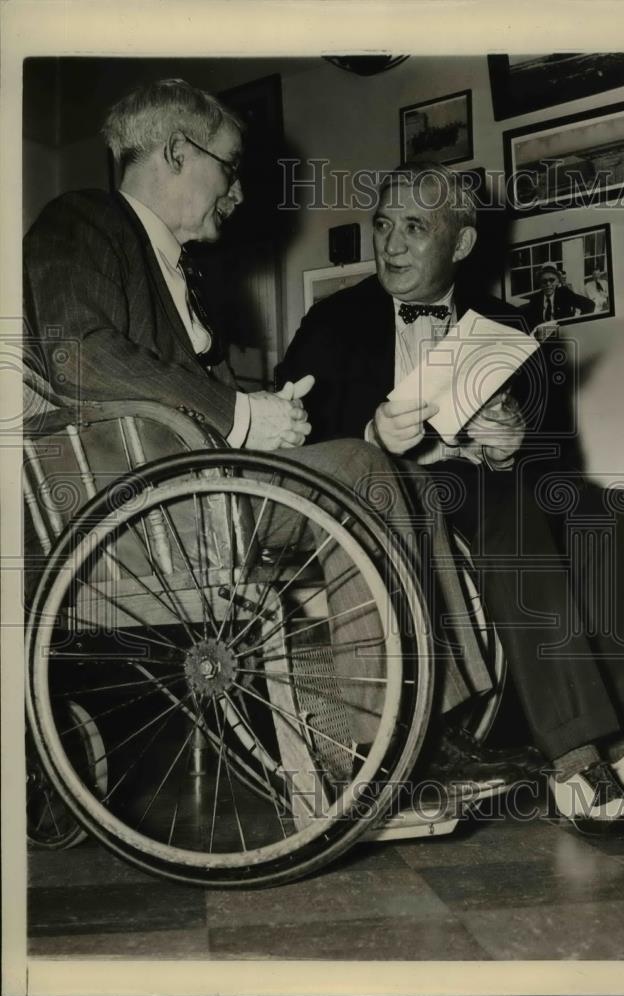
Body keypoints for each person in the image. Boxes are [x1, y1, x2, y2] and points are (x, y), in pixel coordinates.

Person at [23, 81, 519, 788]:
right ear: (176, 152)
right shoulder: (83, 220)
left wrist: (262, 417)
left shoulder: (171, 264)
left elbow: (173, 391)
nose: (238, 191)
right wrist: (242, 413)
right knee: (365, 467)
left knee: (407, 481)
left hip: (188, 491)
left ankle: (434, 725)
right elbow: (78, 357)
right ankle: (389, 751)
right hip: (143, 512)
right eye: (229, 166)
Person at [278, 161, 624, 838]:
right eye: (384, 224)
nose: (392, 243)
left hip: (501, 484)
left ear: (461, 243)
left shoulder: (508, 323)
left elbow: (557, 461)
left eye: (415, 227)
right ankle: (575, 758)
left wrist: (517, 440)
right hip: (402, 495)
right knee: (510, 510)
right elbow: (289, 436)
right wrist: (372, 433)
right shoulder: (332, 321)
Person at [520, 263, 595, 329]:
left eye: (552, 280)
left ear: (557, 281)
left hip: (563, 334)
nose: (548, 284)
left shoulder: (564, 294)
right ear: (540, 283)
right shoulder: (536, 299)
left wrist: (577, 326)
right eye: (544, 281)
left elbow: (590, 305)